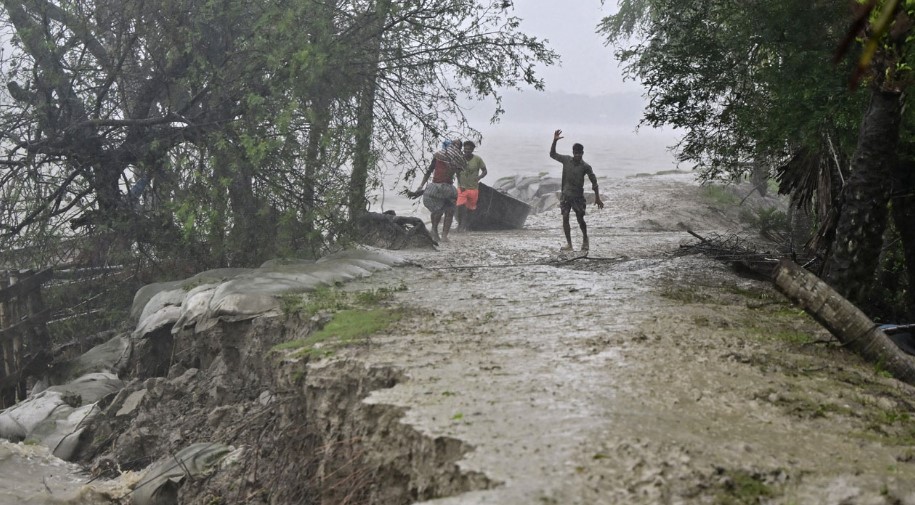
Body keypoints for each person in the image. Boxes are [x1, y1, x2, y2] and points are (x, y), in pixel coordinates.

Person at [549, 129, 604, 252]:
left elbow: (594, 181)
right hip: (565, 196)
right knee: (565, 217)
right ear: (573, 152)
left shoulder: (585, 166)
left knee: (580, 219)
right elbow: (552, 154)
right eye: (576, 153)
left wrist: (597, 197)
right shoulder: (566, 160)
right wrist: (554, 141)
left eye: (580, 153)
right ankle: (569, 244)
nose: (578, 155)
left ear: (583, 153)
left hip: (578, 197)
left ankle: (585, 239)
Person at [407, 139, 466, 242]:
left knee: (440, 211)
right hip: (445, 188)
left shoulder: (439, 157)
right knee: (447, 211)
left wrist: (421, 186)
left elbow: (429, 171)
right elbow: (458, 173)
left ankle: (436, 233)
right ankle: (441, 235)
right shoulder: (455, 159)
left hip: (437, 187)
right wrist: (461, 186)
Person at [455, 140, 488, 231]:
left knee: (470, 209)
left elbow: (485, 171)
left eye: (469, 149)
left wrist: (479, 177)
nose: (467, 151)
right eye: (465, 149)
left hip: (473, 188)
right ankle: (460, 225)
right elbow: (457, 172)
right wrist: (460, 184)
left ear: (473, 149)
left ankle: (467, 226)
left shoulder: (477, 159)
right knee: (460, 206)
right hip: (462, 187)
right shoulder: (460, 158)